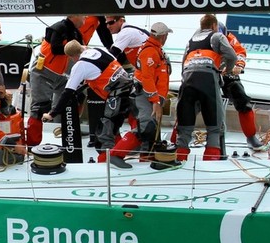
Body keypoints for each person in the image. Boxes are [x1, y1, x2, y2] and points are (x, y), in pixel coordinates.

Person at [41, 41, 137, 169]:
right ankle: (126, 151)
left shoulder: (80, 65)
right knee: (114, 126)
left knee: (102, 135)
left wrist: (52, 113)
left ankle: (106, 164)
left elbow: (67, 92)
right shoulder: (100, 50)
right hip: (131, 93)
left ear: (71, 57)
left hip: (117, 98)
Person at [26, 15, 112, 145]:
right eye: (82, 16)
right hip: (43, 73)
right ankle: (32, 146)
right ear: (73, 16)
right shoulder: (58, 28)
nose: (84, 18)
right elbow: (55, 48)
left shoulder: (78, 32)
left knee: (72, 100)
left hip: (61, 75)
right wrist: (78, 49)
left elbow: (103, 36)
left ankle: (69, 137)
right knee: (39, 109)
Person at [175, 14, 238, 161]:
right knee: (214, 123)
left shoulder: (190, 41)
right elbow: (232, 56)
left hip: (188, 80)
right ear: (214, 26)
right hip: (207, 79)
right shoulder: (217, 36)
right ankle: (211, 158)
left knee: (185, 121)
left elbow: (183, 62)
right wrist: (226, 70)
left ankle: (180, 156)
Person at [219, 24, 264, 149]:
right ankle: (178, 139)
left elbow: (240, 51)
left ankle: (251, 137)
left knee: (243, 101)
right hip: (207, 72)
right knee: (191, 103)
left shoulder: (229, 37)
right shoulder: (199, 38)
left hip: (228, 72)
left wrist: (238, 65)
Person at [132, 22, 173, 157]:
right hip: (147, 96)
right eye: (166, 35)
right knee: (147, 127)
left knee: (153, 128)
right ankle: (144, 157)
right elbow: (147, 78)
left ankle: (151, 155)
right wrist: (155, 100)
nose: (167, 38)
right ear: (162, 36)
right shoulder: (150, 51)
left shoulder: (156, 49)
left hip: (154, 95)